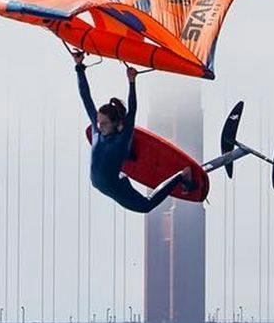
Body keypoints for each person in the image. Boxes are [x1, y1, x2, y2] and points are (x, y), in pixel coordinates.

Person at [75, 54, 194, 213]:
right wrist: (79, 67)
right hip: (109, 182)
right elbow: (86, 97)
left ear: (115, 123)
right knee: (122, 156)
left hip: (115, 186)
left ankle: (182, 175)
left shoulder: (121, 139)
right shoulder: (97, 131)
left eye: (104, 123)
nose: (99, 126)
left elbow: (132, 111)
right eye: (98, 122)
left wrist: (132, 82)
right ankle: (129, 156)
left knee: (146, 205)